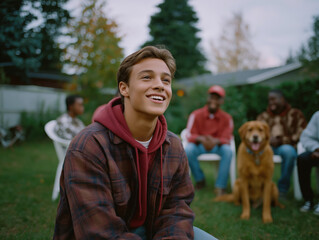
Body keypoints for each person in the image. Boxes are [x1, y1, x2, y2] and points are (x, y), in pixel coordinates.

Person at [53, 46, 216, 240]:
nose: (159, 85)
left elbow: (177, 209)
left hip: (152, 230)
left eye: (166, 80)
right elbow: (99, 233)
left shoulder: (173, 145)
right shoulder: (88, 146)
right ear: (124, 88)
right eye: (147, 77)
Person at [257, 89, 307, 198]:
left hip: (286, 147)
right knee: (255, 152)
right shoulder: (263, 116)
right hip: (267, 147)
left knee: (288, 152)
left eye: (273, 99)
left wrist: (282, 140)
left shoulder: (295, 114)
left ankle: (282, 190)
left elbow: (301, 133)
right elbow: (256, 133)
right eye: (269, 100)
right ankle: (259, 188)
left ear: (282, 99)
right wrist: (267, 139)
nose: (271, 102)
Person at [185, 85, 233, 196]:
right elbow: (189, 134)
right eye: (212, 97)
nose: (214, 101)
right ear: (208, 98)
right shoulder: (196, 114)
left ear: (221, 101)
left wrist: (215, 141)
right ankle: (200, 180)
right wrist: (200, 138)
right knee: (188, 150)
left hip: (218, 146)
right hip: (200, 145)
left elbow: (227, 137)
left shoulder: (227, 118)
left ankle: (220, 187)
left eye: (217, 98)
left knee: (228, 151)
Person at [297, 111, 319, 215]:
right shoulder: (317, 116)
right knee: (303, 159)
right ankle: (308, 200)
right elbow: (306, 137)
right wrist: (316, 148)